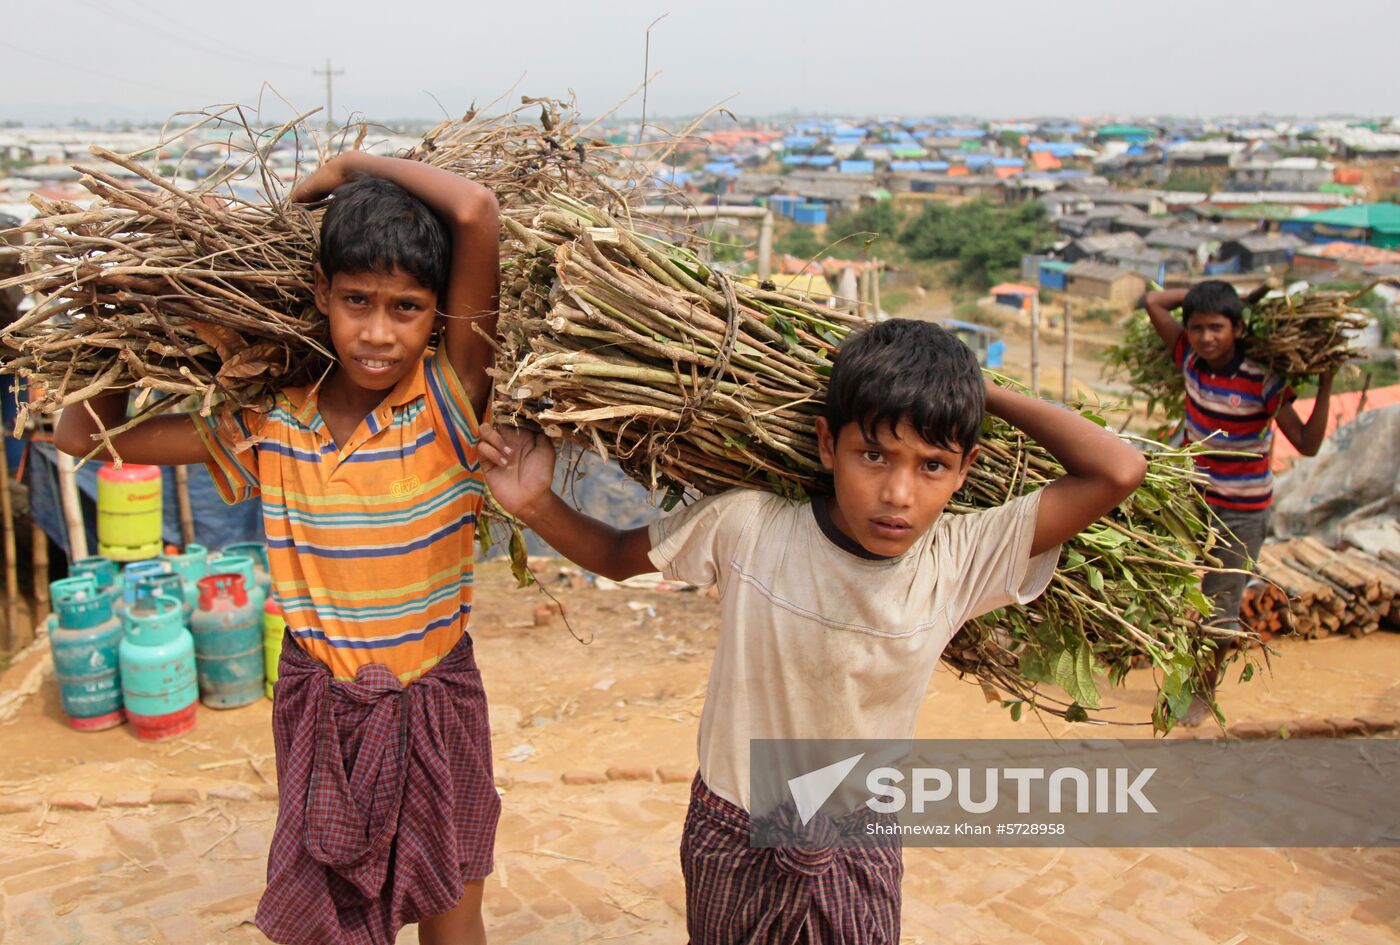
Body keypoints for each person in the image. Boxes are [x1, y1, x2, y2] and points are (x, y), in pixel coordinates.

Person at [479, 319, 1147, 944]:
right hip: (731, 828)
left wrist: (979, 388)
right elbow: (620, 556)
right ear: (829, 444)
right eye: (874, 455)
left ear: (965, 468)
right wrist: (535, 501)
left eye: (932, 465)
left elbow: (1117, 470)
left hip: (857, 837)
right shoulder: (750, 526)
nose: (898, 493)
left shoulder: (960, 557)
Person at [54, 152, 502, 945]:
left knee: (453, 907)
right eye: (356, 300)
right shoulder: (269, 422)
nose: (377, 331)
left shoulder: (449, 399)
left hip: (433, 698)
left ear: (438, 316)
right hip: (323, 705)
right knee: (332, 921)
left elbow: (474, 212)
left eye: (407, 307)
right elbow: (85, 436)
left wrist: (351, 165)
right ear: (322, 294)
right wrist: (122, 308)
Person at [1144, 280, 1333, 726]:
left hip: (1241, 513)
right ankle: (1183, 673)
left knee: (1221, 603)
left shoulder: (1262, 381)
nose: (1206, 337)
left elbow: (1305, 444)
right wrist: (1238, 293)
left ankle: (1203, 693)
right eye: (1196, 327)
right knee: (1171, 587)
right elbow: (1153, 301)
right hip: (1191, 502)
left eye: (1217, 327)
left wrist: (1325, 383)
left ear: (1238, 330)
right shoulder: (1188, 358)